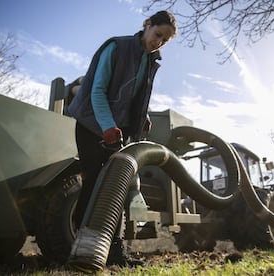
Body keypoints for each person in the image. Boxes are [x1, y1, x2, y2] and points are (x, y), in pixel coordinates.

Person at [66, 10, 177, 266]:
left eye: (164, 41)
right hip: (92, 124)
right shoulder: (117, 47)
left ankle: (114, 254)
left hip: (116, 131)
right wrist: (107, 126)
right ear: (147, 24)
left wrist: (142, 116)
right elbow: (98, 90)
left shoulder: (149, 61)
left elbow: (132, 96)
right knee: (95, 183)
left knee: (117, 188)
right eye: (158, 34)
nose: (158, 42)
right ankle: (80, 248)